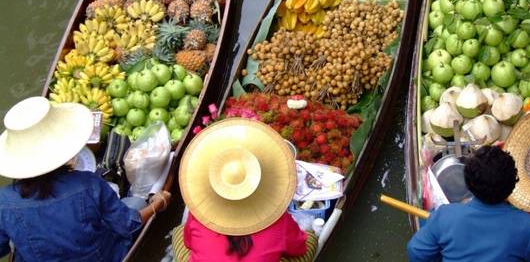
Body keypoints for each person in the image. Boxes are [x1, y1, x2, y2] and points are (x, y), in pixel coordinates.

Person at [0, 96, 171, 261]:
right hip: (102, 257)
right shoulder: (88, 184)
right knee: (136, 203)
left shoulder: (4, 201)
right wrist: (158, 203)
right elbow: (127, 224)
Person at [408, 108, 530, 262]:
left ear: (469, 185)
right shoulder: (529, 227)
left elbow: (415, 251)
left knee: (428, 222)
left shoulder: (444, 216)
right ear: (512, 187)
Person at [175, 118, 316, 262]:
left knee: (178, 233)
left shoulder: (199, 214)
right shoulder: (279, 222)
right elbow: (300, 249)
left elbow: (188, 243)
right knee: (310, 241)